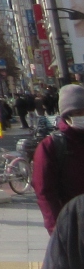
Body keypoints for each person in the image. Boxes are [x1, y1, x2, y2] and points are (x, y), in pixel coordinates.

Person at [32, 83, 84, 233]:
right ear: (66, 116)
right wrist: (57, 230)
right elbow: (45, 193)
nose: (82, 116)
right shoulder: (51, 146)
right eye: (77, 113)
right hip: (73, 226)